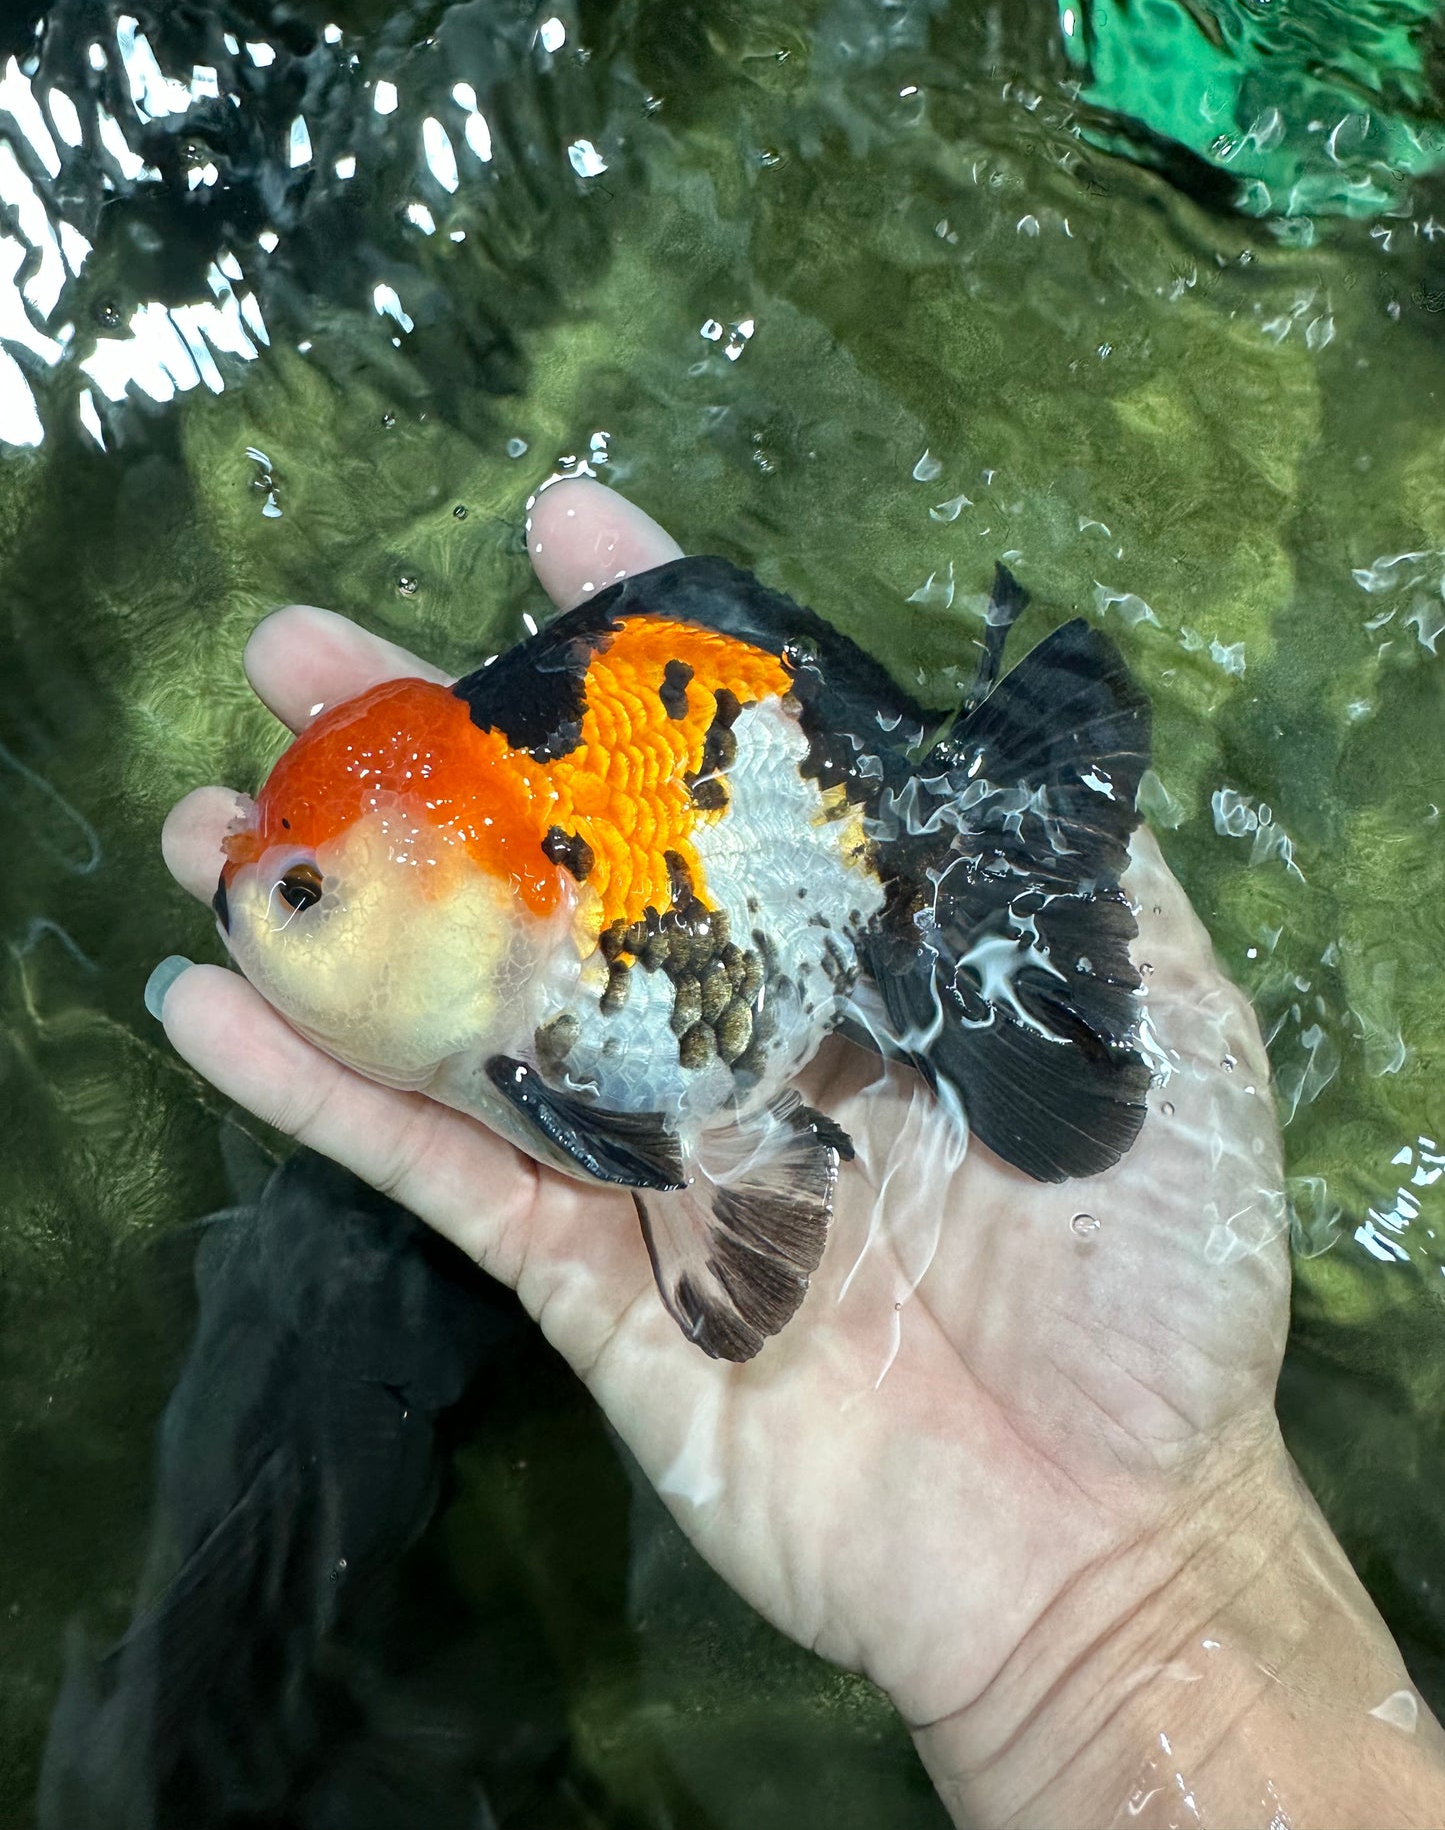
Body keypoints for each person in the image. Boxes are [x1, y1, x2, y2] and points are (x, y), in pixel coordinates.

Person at [157, 481, 1445, 1828]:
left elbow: (647, 1146)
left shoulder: (539, 998)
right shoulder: (499, 1000)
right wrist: (1114, 1630)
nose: (255, 901)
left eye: (302, 893)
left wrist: (1131, 1588)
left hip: (787, 878)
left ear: (489, 894)